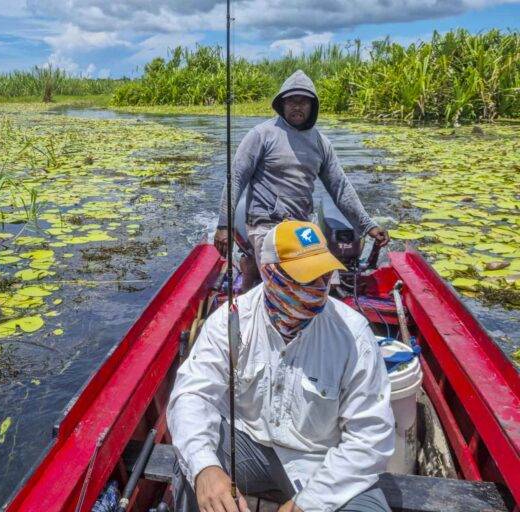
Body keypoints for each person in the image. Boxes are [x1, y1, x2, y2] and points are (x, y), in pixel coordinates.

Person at [169, 220, 395, 512]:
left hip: (322, 461)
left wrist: (310, 503)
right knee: (192, 466)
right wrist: (205, 469)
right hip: (247, 445)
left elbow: (370, 436)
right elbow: (193, 394)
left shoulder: (354, 334)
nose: (318, 288)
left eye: (324, 275)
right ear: (269, 273)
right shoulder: (231, 319)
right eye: (304, 278)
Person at [214, 70, 389, 282]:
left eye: (303, 101)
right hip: (266, 225)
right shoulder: (261, 135)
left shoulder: (321, 143)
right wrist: (224, 225)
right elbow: (236, 178)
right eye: (291, 101)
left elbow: (340, 188)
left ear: (312, 106)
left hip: (300, 227)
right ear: (282, 104)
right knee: (283, 281)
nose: (297, 106)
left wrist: (368, 225)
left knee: (325, 277)